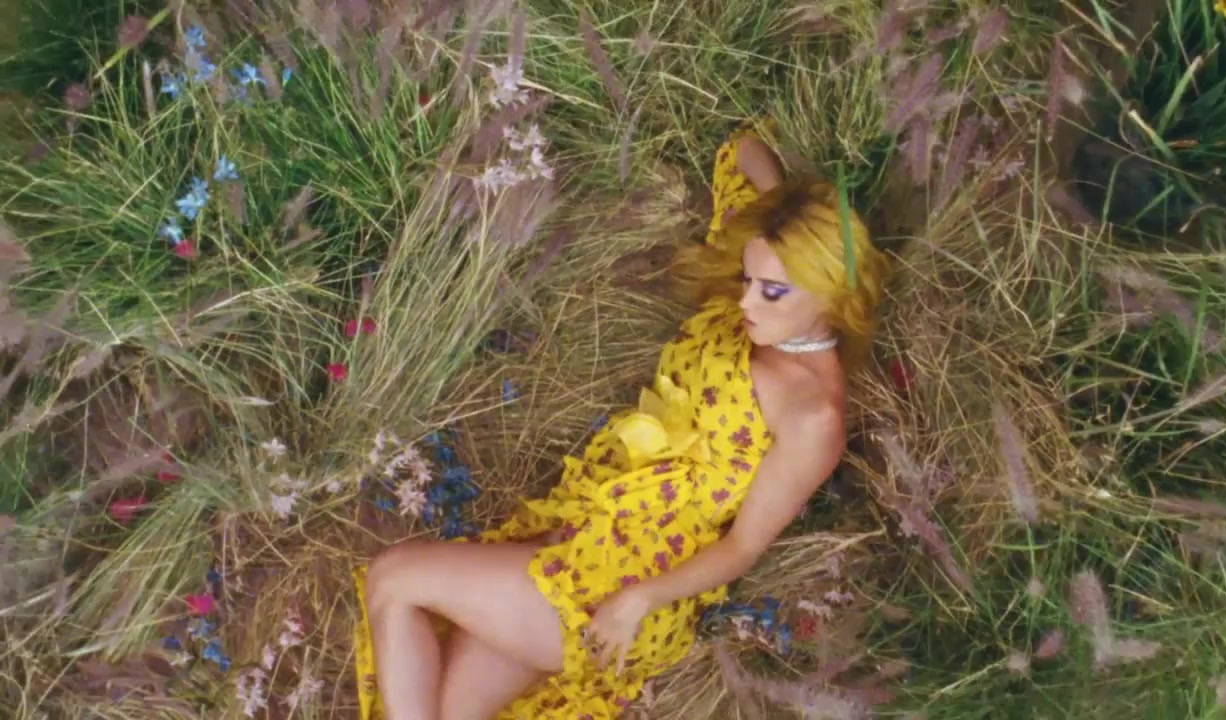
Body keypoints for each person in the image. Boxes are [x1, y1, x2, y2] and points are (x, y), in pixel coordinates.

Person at [351, 124, 890, 720]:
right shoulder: (766, 297)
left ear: (830, 292)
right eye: (747, 278)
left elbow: (742, 546)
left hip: (628, 583)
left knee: (393, 580)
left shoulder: (813, 418)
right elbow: (745, 149)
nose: (745, 302)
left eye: (773, 291)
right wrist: (786, 208)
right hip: (589, 528)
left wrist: (636, 601)